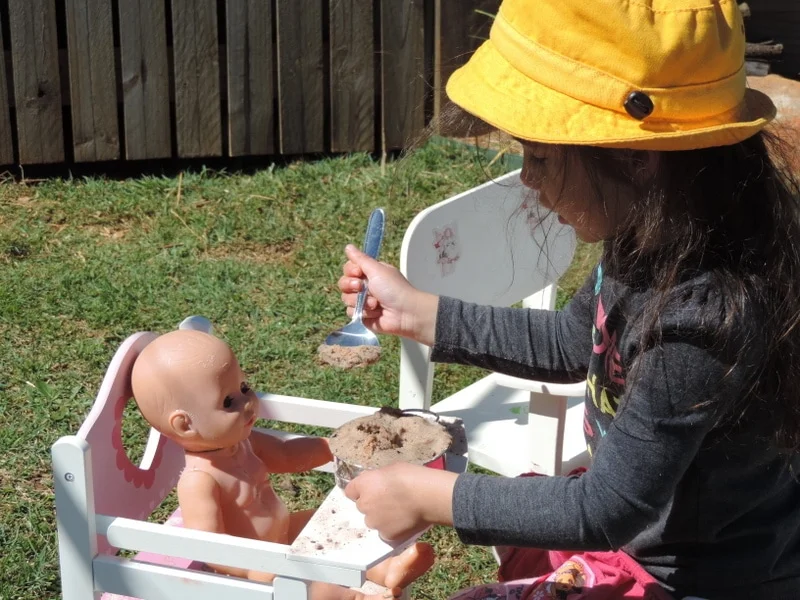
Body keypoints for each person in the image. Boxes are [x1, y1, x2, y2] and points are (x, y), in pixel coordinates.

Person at [337, 0, 800, 598]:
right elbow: (569, 341)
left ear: (636, 160)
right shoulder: (652, 236)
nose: (529, 178)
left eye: (541, 157)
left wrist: (424, 495)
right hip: (647, 540)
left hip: (700, 577)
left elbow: (607, 508)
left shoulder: (702, 318)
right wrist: (417, 312)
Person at [130, 329, 434, 600]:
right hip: (255, 567)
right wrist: (252, 570)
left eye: (245, 387)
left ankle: (386, 569)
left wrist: (331, 447)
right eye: (228, 402)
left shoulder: (244, 442)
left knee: (332, 526)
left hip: (283, 533)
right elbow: (210, 547)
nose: (247, 401)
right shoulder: (199, 480)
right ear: (185, 425)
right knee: (293, 583)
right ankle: (351, 597)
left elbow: (288, 455)